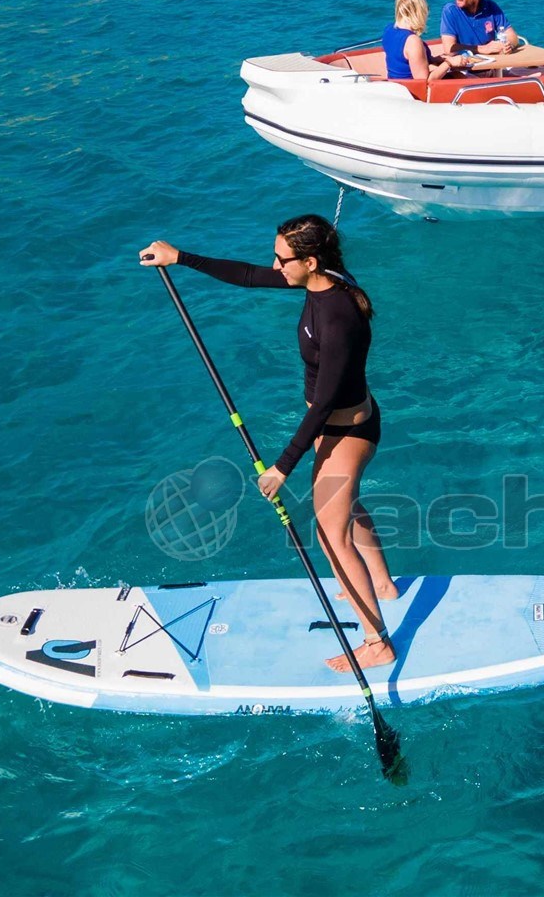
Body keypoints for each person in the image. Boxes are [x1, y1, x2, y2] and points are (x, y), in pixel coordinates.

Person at [138, 218, 400, 672]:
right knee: (345, 507)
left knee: (330, 534)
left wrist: (282, 467)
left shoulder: (337, 318)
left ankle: (377, 644)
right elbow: (248, 276)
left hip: (346, 432)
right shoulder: (325, 279)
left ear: (310, 261)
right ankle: (382, 584)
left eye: (282, 258)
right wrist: (180, 257)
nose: (275, 265)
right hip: (335, 425)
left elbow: (323, 404)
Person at [434, 0, 522, 59]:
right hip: (465, 64)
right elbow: (449, 49)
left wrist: (508, 46)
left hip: (491, 63)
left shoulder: (491, 7)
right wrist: (483, 49)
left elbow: (513, 36)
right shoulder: (450, 11)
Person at [381, 0, 452, 81]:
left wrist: (433, 59)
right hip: (411, 89)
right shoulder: (412, 41)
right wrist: (449, 64)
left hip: (395, 85)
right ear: (418, 11)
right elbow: (424, 81)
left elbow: (403, 61)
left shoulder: (389, 30)